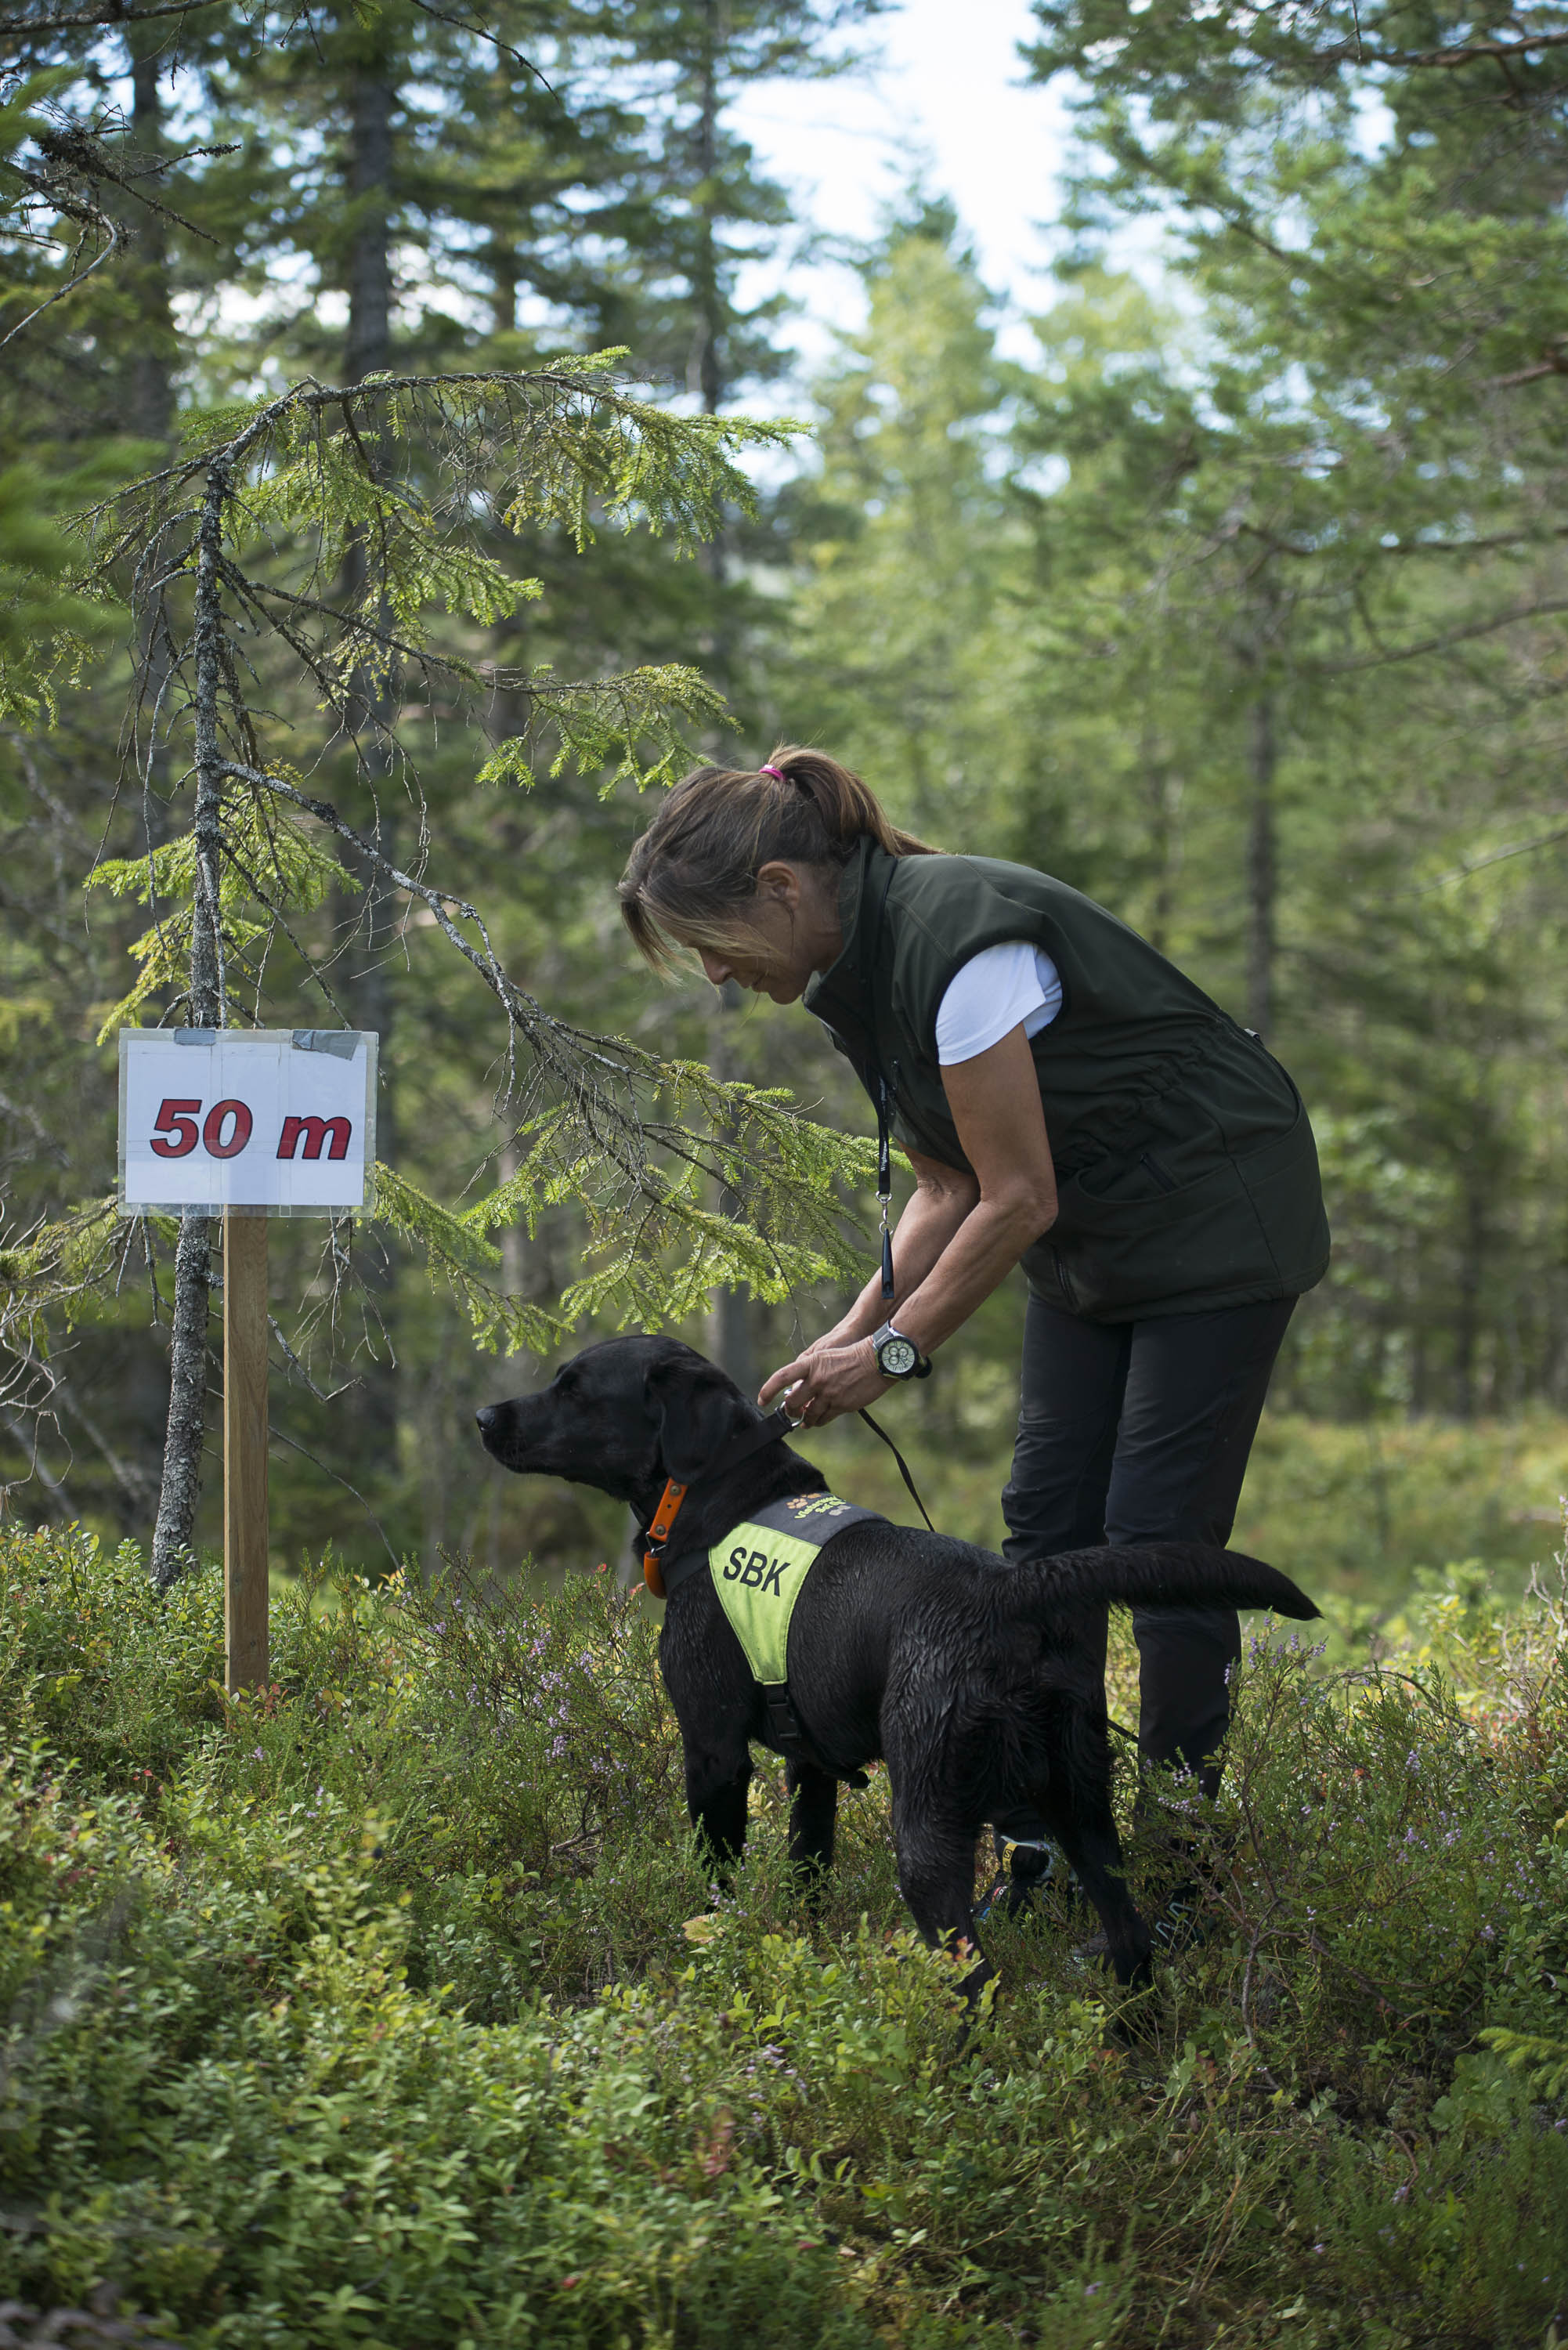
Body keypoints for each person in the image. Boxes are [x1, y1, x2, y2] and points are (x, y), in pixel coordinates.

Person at [617, 746, 1329, 1916]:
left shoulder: (960, 940)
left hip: (1219, 1218)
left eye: (711, 941)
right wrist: (849, 1329)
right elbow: (945, 1184)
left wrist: (892, 1356)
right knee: (1044, 1534)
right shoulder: (852, 969)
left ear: (783, 891)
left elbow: (1015, 1199)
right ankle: (1046, 1834)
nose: (709, 974)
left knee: (1154, 1537)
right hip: (1097, 1245)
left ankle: (1182, 1861)